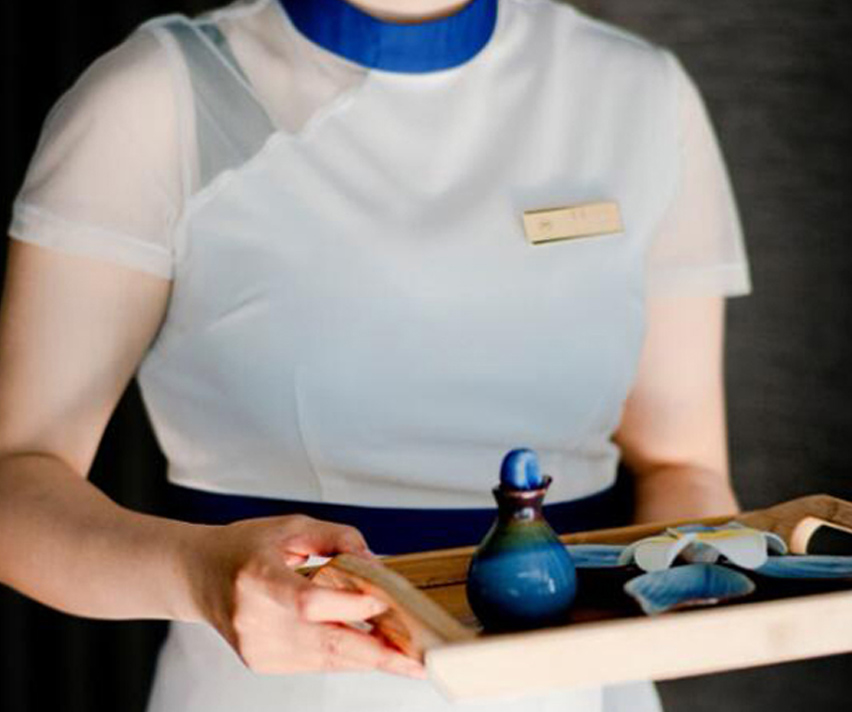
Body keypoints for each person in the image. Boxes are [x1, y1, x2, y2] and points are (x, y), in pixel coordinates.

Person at [0, 0, 751, 710]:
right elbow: (15, 485)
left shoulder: (638, 93)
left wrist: (681, 597)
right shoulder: (157, 96)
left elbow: (683, 468)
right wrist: (198, 576)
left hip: (584, 687)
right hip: (278, 691)